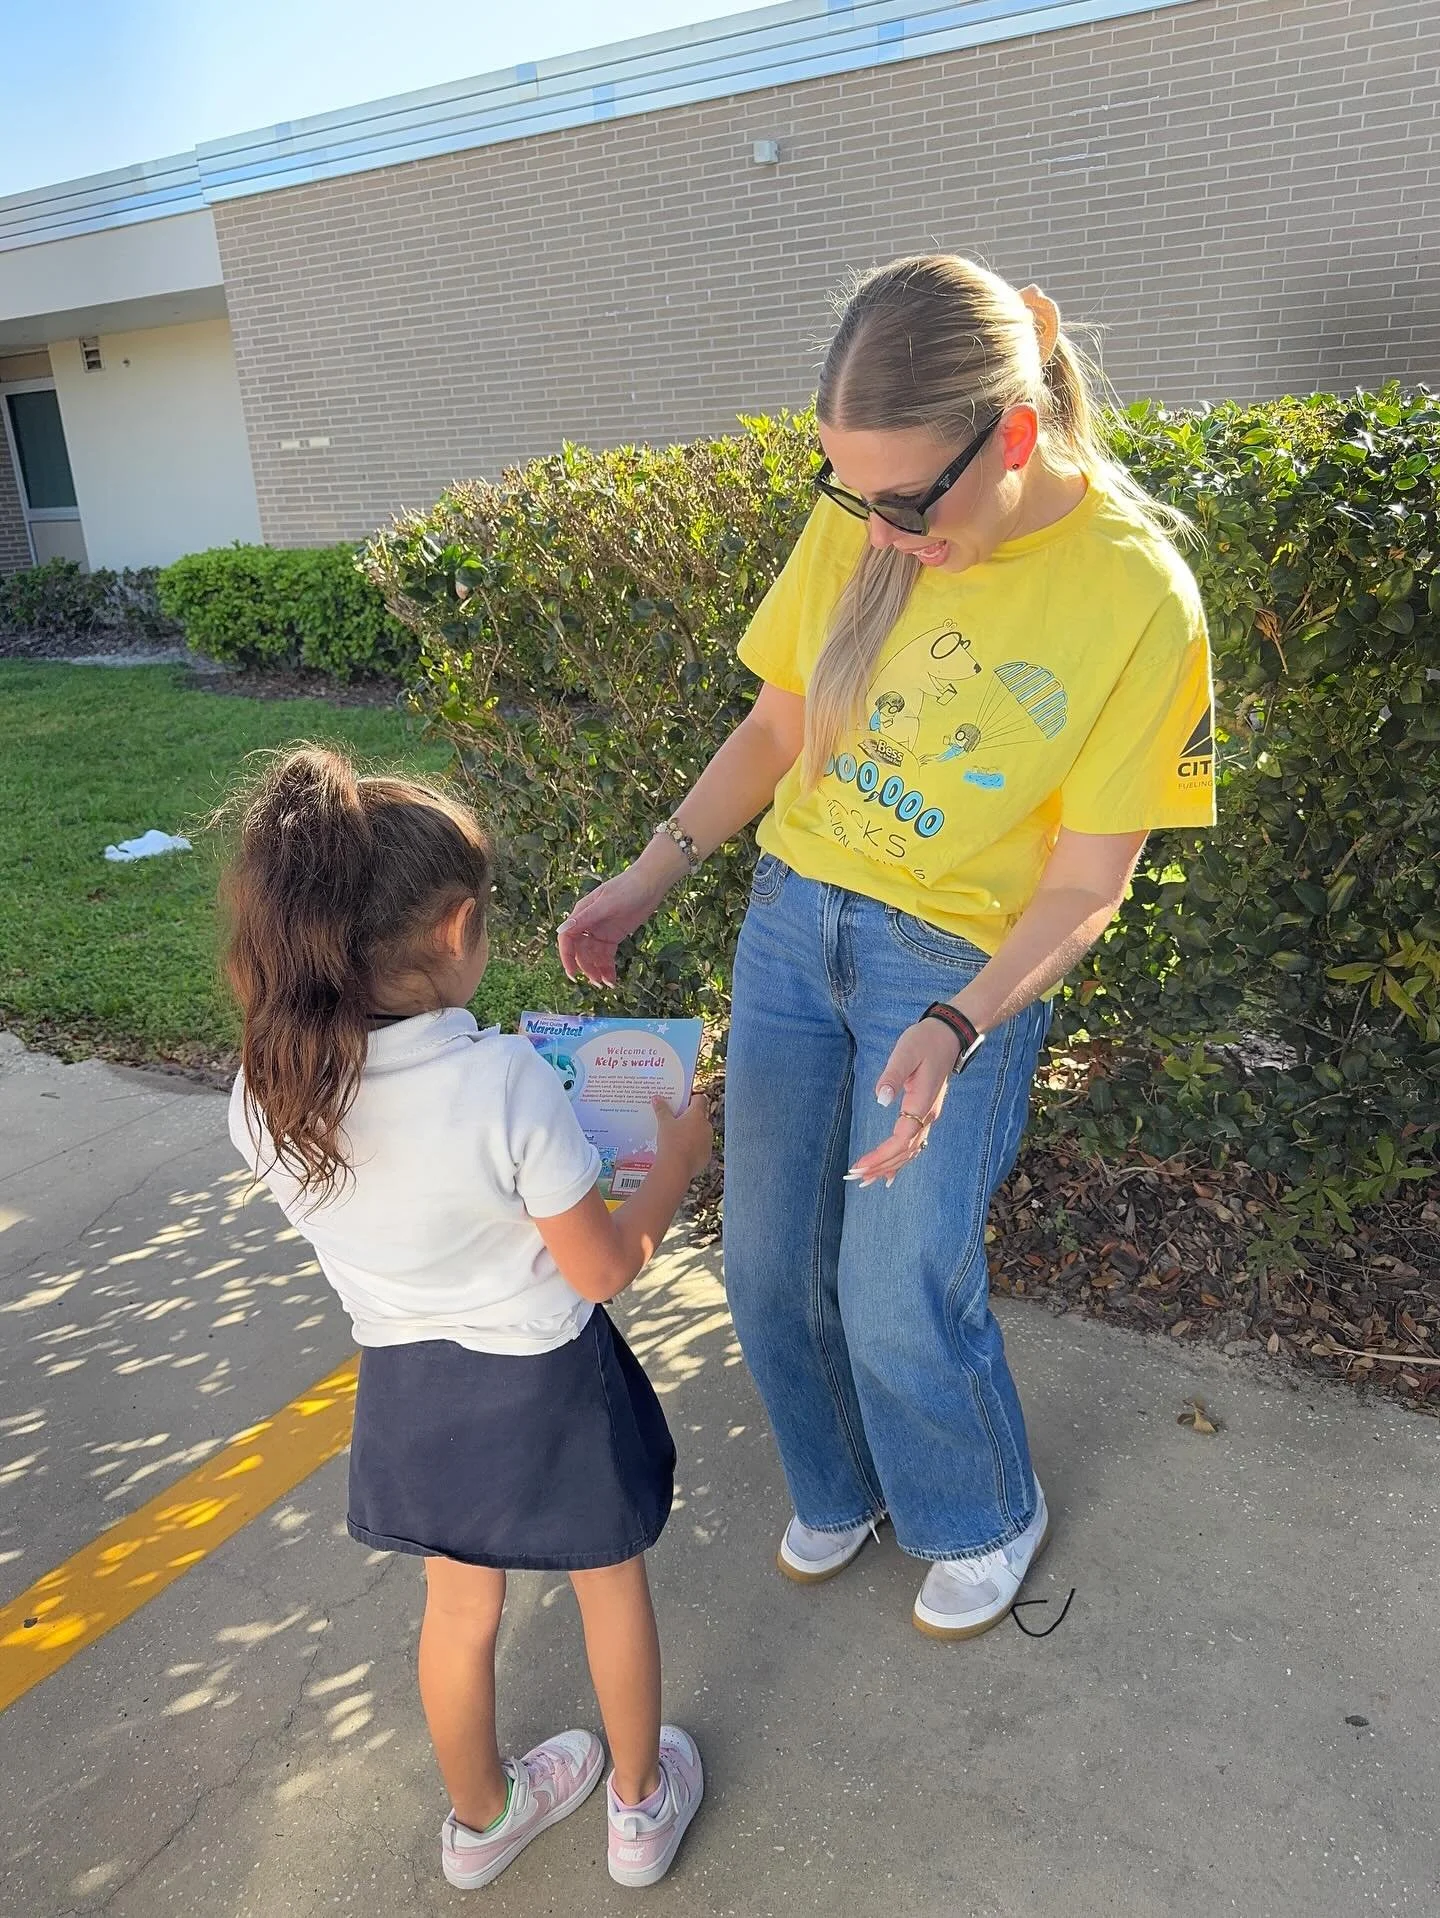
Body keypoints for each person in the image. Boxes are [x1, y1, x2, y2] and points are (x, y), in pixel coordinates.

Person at [558, 255, 1215, 1642]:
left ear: (1016, 437)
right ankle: (841, 1484)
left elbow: (1091, 881)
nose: (882, 530)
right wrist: (644, 876)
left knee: (896, 1287)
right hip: (795, 928)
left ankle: (981, 1506)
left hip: (955, 969)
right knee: (763, 1262)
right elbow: (775, 731)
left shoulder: (1139, 600)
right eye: (853, 495)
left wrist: (965, 1020)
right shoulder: (872, 516)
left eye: (910, 502)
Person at [220, 746, 712, 1889]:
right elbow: (602, 1268)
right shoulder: (505, 1084)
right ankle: (638, 1809)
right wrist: (676, 1161)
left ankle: (482, 1817)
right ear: (455, 929)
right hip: (544, 1379)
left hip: (408, 1386)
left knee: (457, 1606)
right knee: (610, 1582)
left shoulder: (265, 1089)